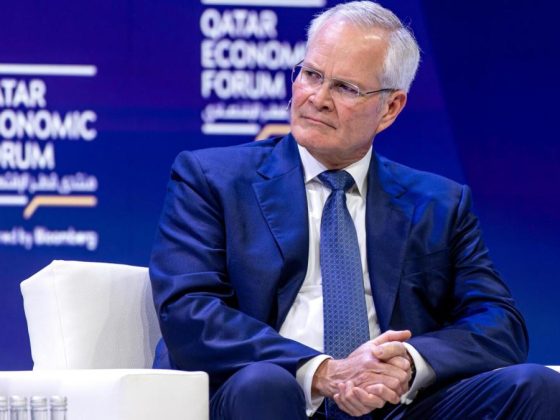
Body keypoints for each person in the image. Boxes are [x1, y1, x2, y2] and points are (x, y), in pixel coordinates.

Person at [149, 1, 560, 418]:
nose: (317, 98)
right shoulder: (212, 179)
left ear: (391, 108)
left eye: (345, 88)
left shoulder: (439, 203)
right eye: (312, 75)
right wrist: (323, 372)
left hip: (394, 406)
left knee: (536, 386)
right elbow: (188, 312)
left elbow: (500, 322)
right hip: (271, 393)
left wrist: (409, 362)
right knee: (265, 383)